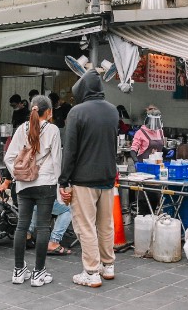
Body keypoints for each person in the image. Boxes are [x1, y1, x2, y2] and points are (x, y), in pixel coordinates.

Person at [58, 69, 117, 288]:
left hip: (84, 179)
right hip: (108, 178)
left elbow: (70, 150)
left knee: (85, 227)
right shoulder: (112, 111)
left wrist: (64, 180)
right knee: (105, 224)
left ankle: (91, 272)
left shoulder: (77, 112)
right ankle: (108, 266)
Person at [5, 95, 62, 287]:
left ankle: (18, 271)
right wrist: (59, 183)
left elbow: (9, 157)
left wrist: (18, 174)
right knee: (43, 227)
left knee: (22, 226)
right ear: (49, 112)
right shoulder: (53, 129)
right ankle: (39, 273)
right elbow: (56, 159)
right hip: (46, 184)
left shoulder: (22, 128)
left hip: (23, 185)